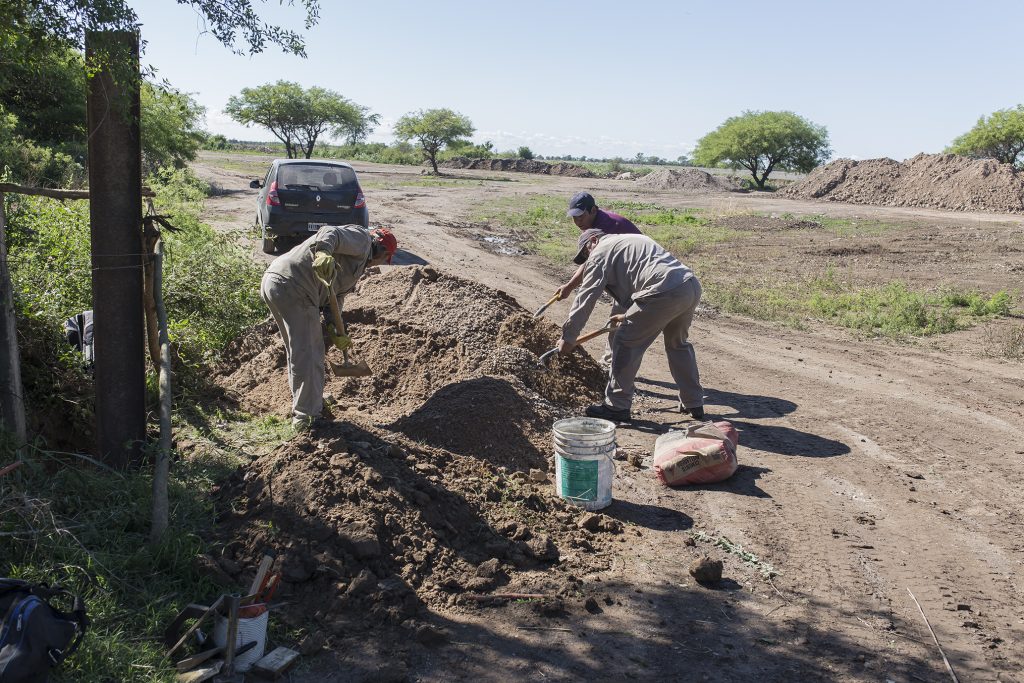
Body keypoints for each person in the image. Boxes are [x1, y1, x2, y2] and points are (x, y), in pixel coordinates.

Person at [558, 228, 704, 423]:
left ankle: (617, 405)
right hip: (689, 286)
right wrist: (628, 314)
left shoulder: (600, 252)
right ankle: (693, 402)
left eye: (586, 252)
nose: (587, 258)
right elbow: (640, 275)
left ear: (593, 240)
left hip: (663, 292)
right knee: (678, 344)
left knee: (625, 342)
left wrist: (568, 338)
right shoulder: (630, 239)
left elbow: (585, 299)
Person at [260, 224, 397, 429]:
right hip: (295, 284)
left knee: (299, 351)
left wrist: (336, 328)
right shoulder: (362, 240)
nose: (380, 264)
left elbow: (335, 296)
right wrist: (323, 252)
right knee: (310, 353)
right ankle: (307, 417)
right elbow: (329, 231)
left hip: (280, 282)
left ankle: (310, 401)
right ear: (383, 250)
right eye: (385, 259)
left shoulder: (358, 265)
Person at [556, 192, 642, 367]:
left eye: (581, 217)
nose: (577, 222)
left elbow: (590, 287)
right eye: (574, 218)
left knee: (621, 322)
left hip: (637, 274)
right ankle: (611, 362)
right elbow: (591, 261)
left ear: (593, 210)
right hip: (625, 273)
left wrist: (569, 336)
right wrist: (569, 286)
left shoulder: (606, 228)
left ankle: (614, 366)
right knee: (617, 321)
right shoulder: (595, 225)